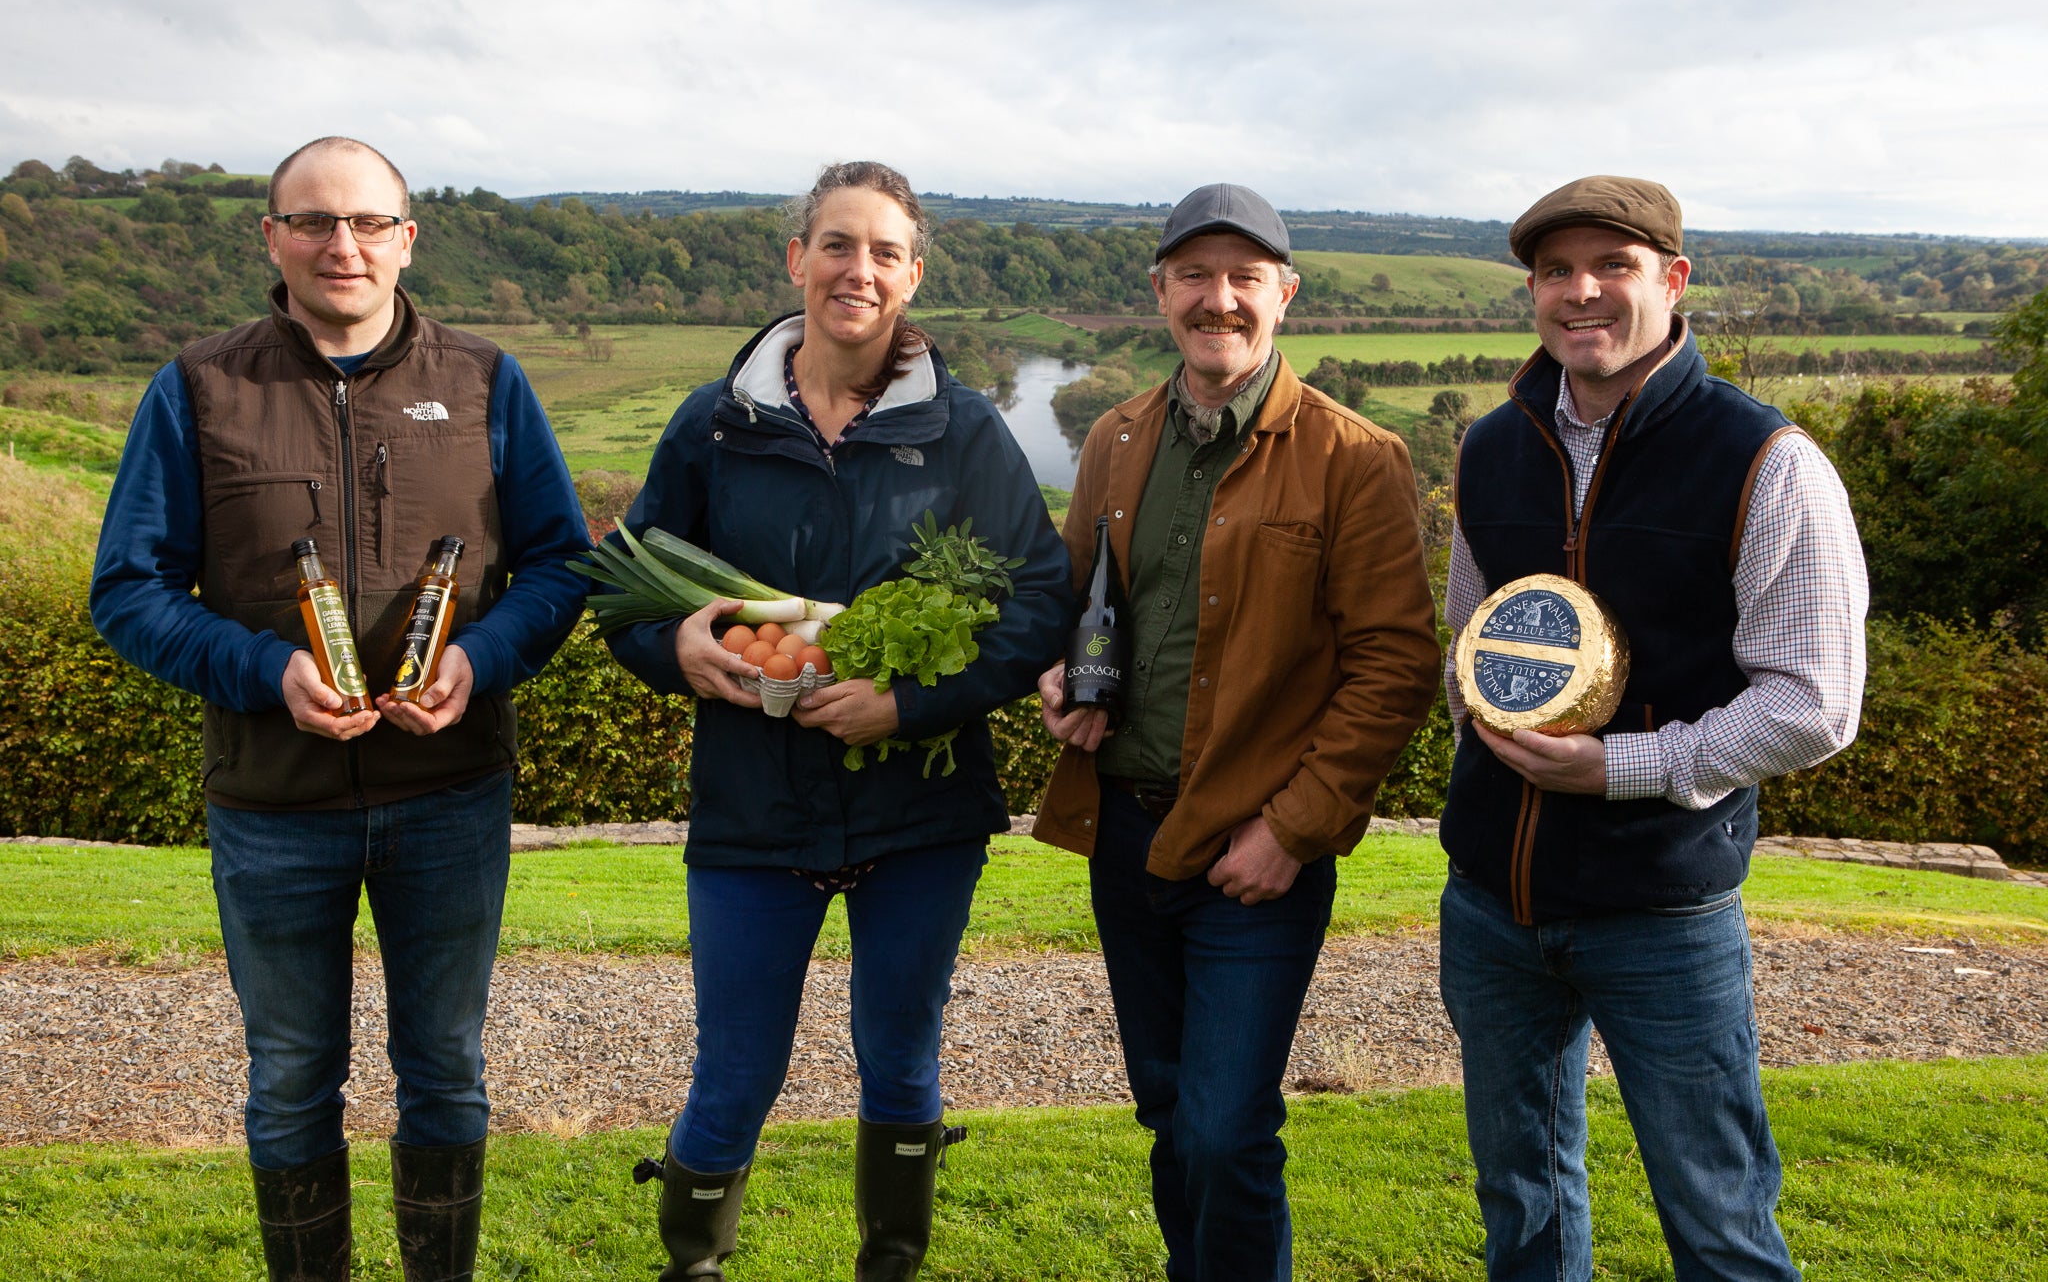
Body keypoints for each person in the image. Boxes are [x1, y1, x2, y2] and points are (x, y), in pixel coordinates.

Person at [90, 137, 590, 1282]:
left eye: (368, 222)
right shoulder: (201, 385)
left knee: (447, 1070)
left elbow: (562, 566)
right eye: (314, 222)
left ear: (408, 238)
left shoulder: (483, 382)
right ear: (271, 237)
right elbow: (127, 590)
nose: (342, 245)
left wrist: (479, 661)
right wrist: (266, 676)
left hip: (450, 795)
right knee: (289, 1076)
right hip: (273, 807)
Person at [604, 161, 1070, 1281]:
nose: (855, 270)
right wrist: (674, 647)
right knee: (733, 1071)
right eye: (835, 245)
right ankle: (692, 1267)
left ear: (911, 276)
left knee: (901, 1060)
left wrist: (911, 702)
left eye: (881, 252)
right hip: (752, 809)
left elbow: (1037, 597)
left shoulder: (962, 432)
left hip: (921, 813)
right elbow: (615, 587)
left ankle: (891, 1265)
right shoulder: (714, 426)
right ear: (795, 260)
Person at [1437, 175, 1868, 1280]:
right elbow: (1469, 645)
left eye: (1611, 266)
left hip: (1661, 909)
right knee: (1520, 1207)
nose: (1579, 292)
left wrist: (1618, 767)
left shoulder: (1764, 461)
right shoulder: (1491, 448)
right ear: (1529, 291)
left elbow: (1813, 702)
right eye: (1552, 271)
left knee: (1716, 1220)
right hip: (1492, 904)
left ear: (1671, 281)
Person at [1034, 183, 1441, 1280]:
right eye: (1195, 277)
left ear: (1284, 294)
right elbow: (1079, 603)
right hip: (1123, 831)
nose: (1219, 300)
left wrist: (1295, 829)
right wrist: (1062, 678)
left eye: (1244, 279)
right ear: (1160, 290)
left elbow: (1393, 665)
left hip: (1250, 851)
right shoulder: (1116, 437)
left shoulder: (1353, 456)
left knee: (1224, 1127)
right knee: (1169, 1112)